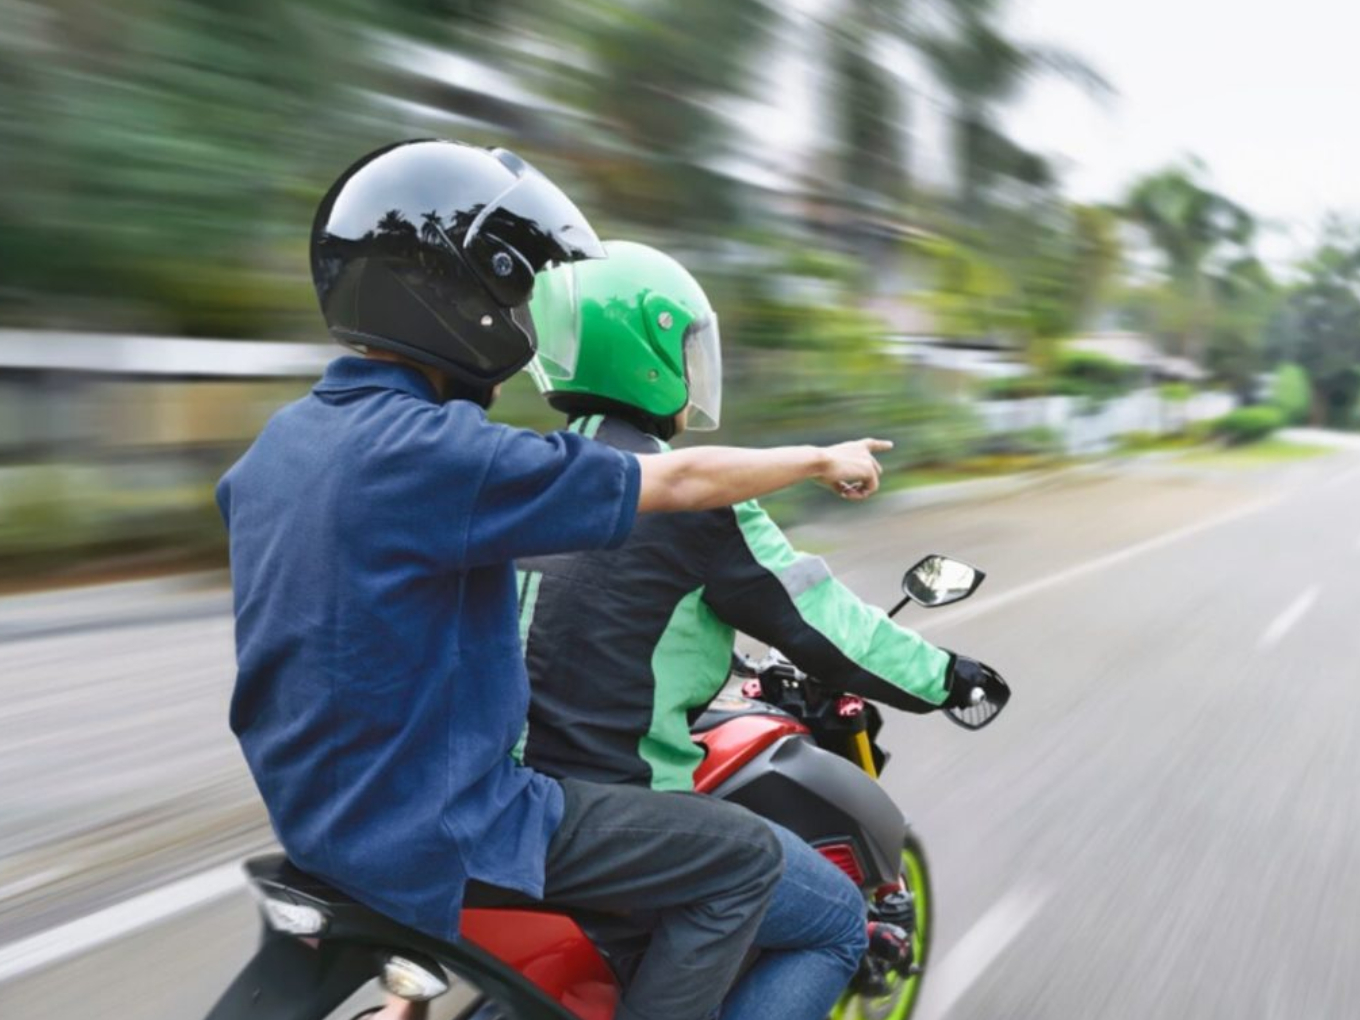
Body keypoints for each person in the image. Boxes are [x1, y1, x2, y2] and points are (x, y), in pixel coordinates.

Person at [216, 140, 896, 1020]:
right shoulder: (437, 456)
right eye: (509, 289)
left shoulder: (279, 448)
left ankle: (407, 1000)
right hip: (460, 821)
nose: (520, 313)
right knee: (747, 863)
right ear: (453, 298)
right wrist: (818, 458)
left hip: (321, 814)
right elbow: (680, 482)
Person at [516, 241, 1010, 1017]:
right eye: (686, 346)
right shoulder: (693, 498)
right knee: (834, 923)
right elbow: (819, 622)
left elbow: (590, 623)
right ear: (650, 354)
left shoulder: (516, 470)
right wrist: (948, 676)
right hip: (609, 809)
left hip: (495, 797)